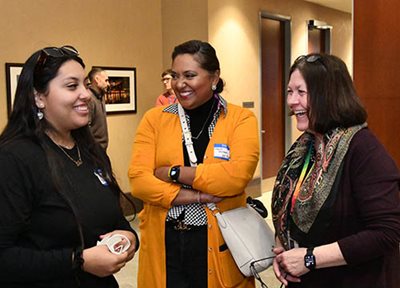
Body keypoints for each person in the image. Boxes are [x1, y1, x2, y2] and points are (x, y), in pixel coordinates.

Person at [0, 45, 139, 288]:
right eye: (72, 86)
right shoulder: (14, 158)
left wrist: (129, 237)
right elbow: (5, 256)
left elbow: (117, 220)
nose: (85, 94)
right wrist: (78, 260)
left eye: (85, 84)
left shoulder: (91, 151)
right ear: (38, 98)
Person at [128, 40, 259, 288]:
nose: (179, 84)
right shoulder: (154, 120)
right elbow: (139, 181)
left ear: (214, 77)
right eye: (175, 75)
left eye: (190, 75)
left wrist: (173, 172)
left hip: (218, 239)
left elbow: (234, 178)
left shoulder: (240, 119)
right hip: (165, 241)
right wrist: (196, 197)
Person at [271, 53, 400, 288]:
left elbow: (387, 232)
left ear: (327, 96)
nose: (291, 101)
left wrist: (310, 258)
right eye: (289, 92)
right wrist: (285, 251)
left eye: (301, 92)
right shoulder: (305, 146)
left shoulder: (363, 149)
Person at [87, 67, 110, 150]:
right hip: (94, 151)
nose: (108, 84)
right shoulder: (88, 98)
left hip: (102, 150)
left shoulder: (101, 96)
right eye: (106, 80)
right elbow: (86, 127)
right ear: (97, 79)